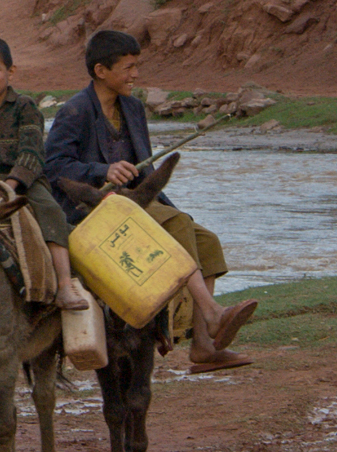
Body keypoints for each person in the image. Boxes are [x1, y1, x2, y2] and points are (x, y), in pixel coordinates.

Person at [44, 29, 256, 371]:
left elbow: (146, 171)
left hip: (135, 203)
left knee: (208, 241)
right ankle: (212, 314)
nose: (136, 75)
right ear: (101, 71)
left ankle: (203, 346)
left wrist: (157, 196)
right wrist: (104, 169)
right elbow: (53, 167)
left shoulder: (133, 108)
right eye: (128, 68)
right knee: (178, 224)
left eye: (135, 66)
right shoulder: (74, 112)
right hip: (94, 209)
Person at [0, 35, 91, 311]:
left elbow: (31, 152)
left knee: (51, 211)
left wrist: (12, 185)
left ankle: (63, 285)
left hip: (24, 182)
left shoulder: (26, 108)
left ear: (10, 72)